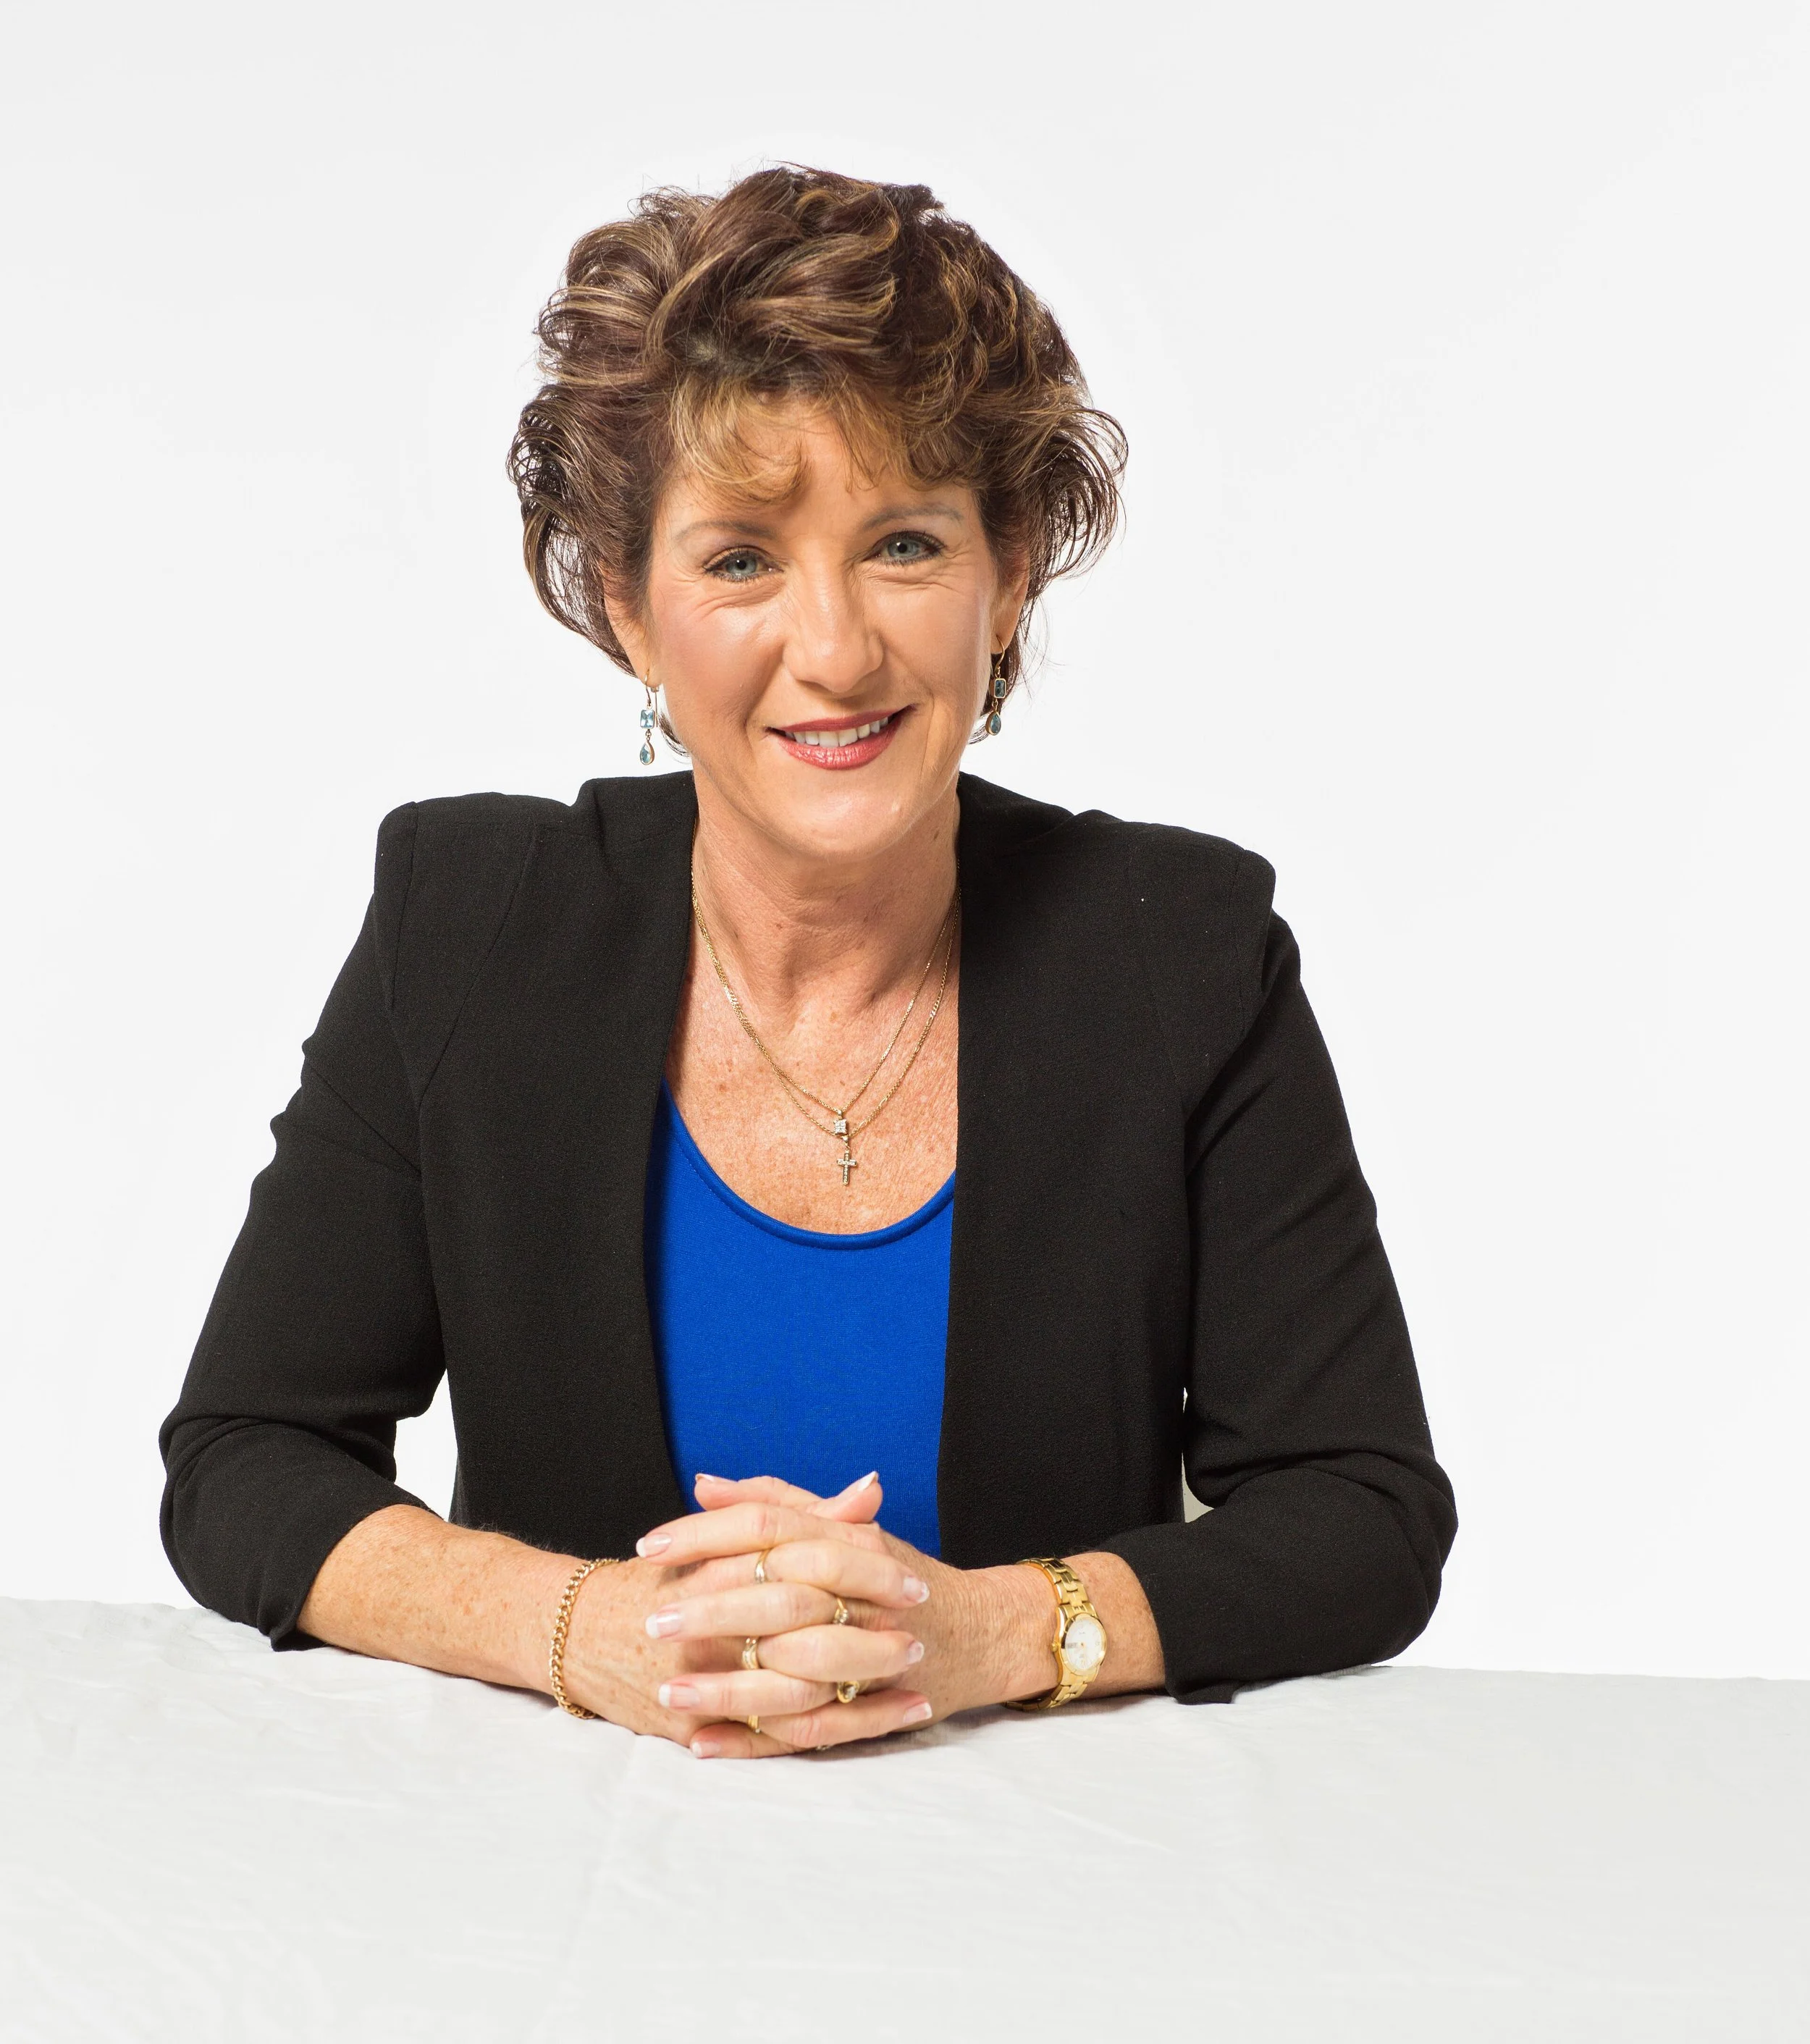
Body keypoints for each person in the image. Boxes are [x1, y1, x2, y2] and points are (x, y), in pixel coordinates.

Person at [159, 165, 1457, 1759]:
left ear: (1009, 576)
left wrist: (986, 1634)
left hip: (1055, 1864)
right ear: (627, 609)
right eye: (738, 560)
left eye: (903, 543)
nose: (834, 651)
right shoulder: (470, 921)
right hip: (556, 1867)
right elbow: (245, 1457)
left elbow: (1359, 1511)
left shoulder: (1182, 953)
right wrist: (586, 1629)